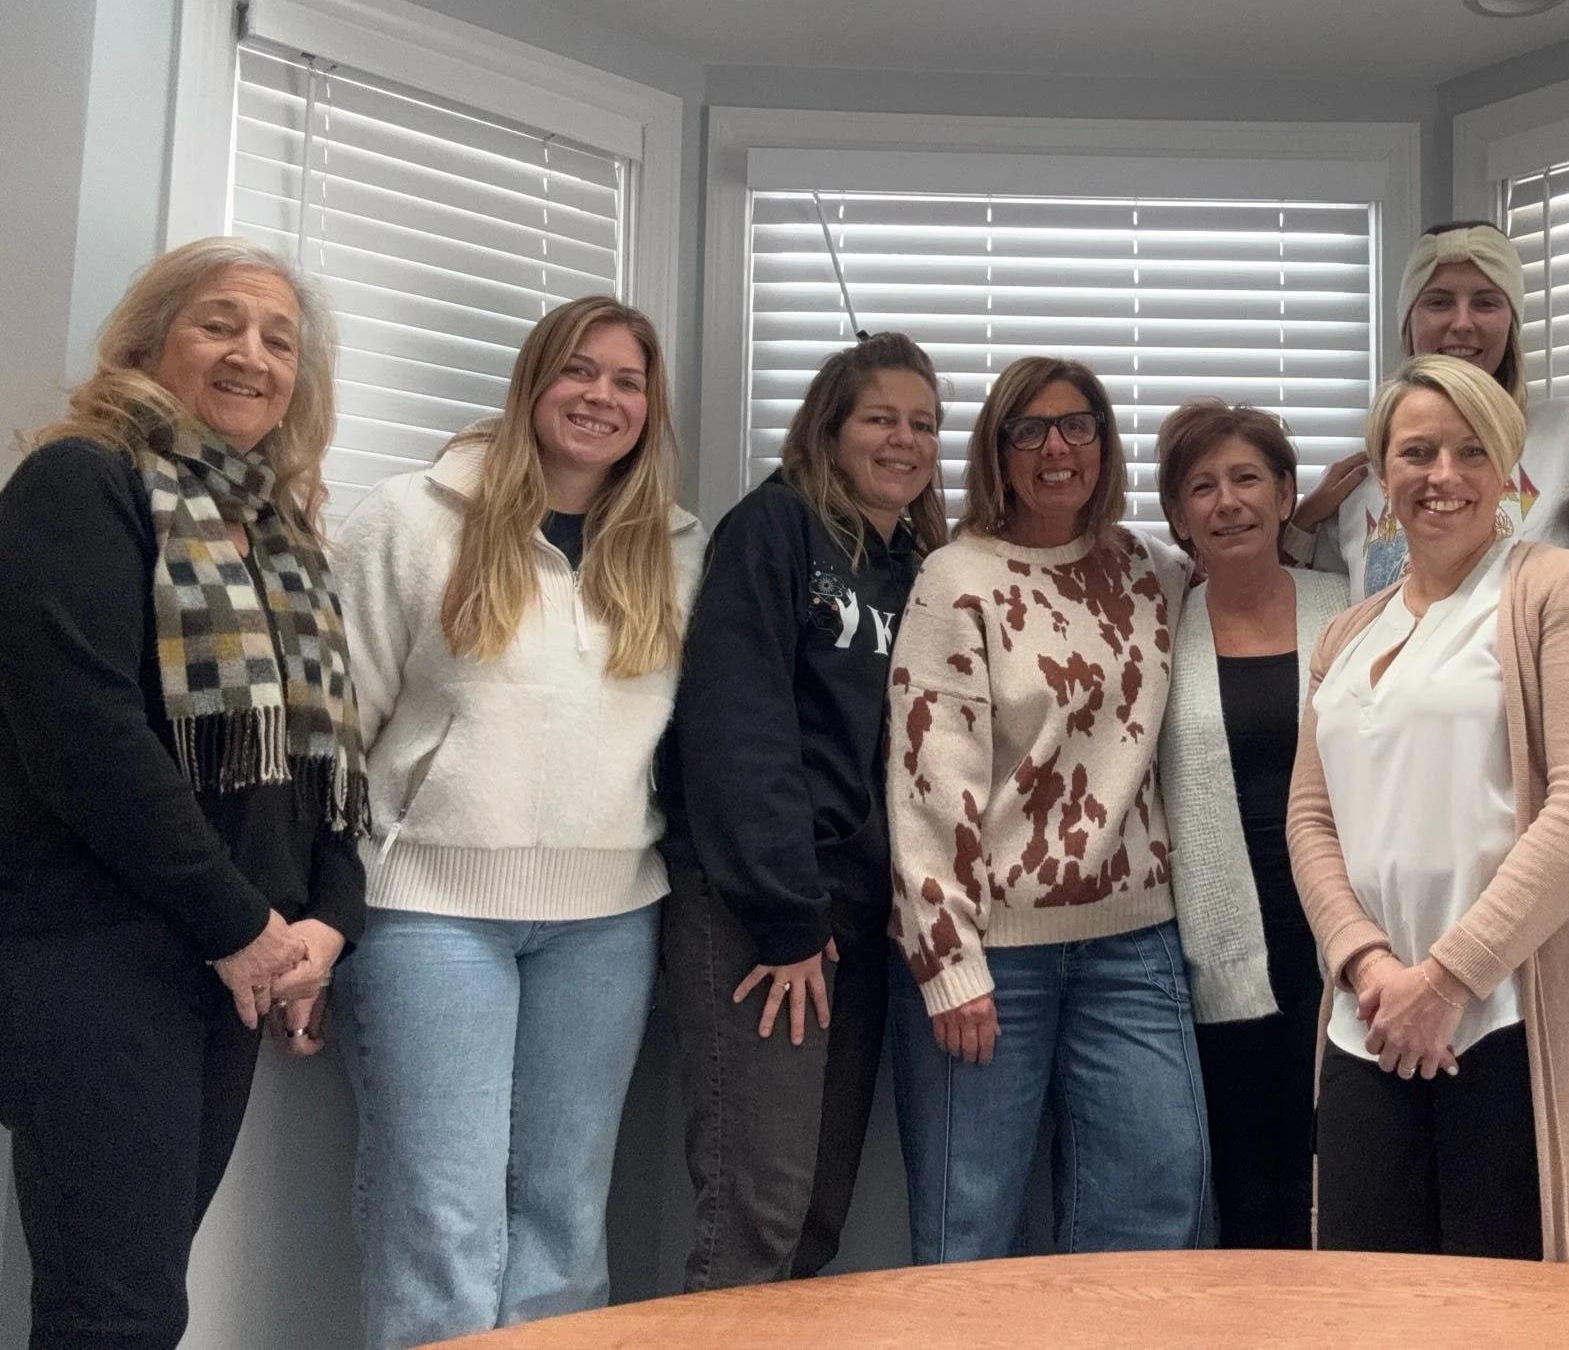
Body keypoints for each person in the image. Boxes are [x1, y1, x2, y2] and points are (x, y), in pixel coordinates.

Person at [0, 237, 367, 1350]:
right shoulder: (82, 482)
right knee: (116, 1311)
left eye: (278, 338)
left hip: (230, 964)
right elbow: (85, 738)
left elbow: (323, 768)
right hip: (96, 951)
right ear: (148, 343)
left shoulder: (284, 541)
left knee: (136, 1299)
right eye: (219, 322)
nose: (251, 354)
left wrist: (324, 926)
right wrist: (239, 925)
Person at [1289, 355, 1569, 1270]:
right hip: (1368, 1021)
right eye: (1415, 452)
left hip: (1518, 1016)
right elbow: (1311, 820)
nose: (1442, 475)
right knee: (1371, 1306)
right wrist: (1368, 965)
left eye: (1470, 450)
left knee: (1519, 1309)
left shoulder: (1564, 593)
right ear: (1381, 470)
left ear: (1509, 469)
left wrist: (1446, 979)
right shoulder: (1346, 631)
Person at [332, 295, 702, 1350]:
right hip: (428, 918)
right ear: (534, 382)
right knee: (440, 1224)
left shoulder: (677, 550)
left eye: (628, 382)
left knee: (563, 1224)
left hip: (607, 923)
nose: (601, 397)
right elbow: (338, 729)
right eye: (579, 372)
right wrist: (306, 915)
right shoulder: (407, 517)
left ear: (649, 408)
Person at [888, 356, 1204, 1263]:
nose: (1056, 447)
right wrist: (949, 962)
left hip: (1135, 942)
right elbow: (926, 778)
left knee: (1155, 1194)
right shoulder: (957, 577)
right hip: (993, 952)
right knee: (968, 1220)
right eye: (1029, 430)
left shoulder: (1152, 570)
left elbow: (1252, 572)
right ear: (998, 451)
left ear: (1105, 444)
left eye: (1077, 425)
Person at [661, 332, 945, 1288]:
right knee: (756, 1213)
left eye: (923, 423)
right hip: (764, 915)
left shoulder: (917, 567)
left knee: (817, 1214)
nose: (904, 440)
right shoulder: (775, 529)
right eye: (881, 419)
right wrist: (787, 917)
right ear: (830, 426)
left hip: (860, 921)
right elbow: (737, 727)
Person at [1155, 400, 1348, 1249]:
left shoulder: (1352, 607)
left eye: (1246, 479)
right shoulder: (1155, 627)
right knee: (1248, 1186)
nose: (1227, 502)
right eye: (1202, 486)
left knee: (1348, 1174)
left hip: (1348, 927)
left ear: (1285, 493)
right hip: (1219, 939)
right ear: (1177, 515)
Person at [1284, 220, 1569, 598]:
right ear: (1409, 322)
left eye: (1485, 302)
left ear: (1512, 323)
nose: (1462, 322)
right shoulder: (1359, 488)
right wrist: (1304, 521)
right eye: (1439, 302)